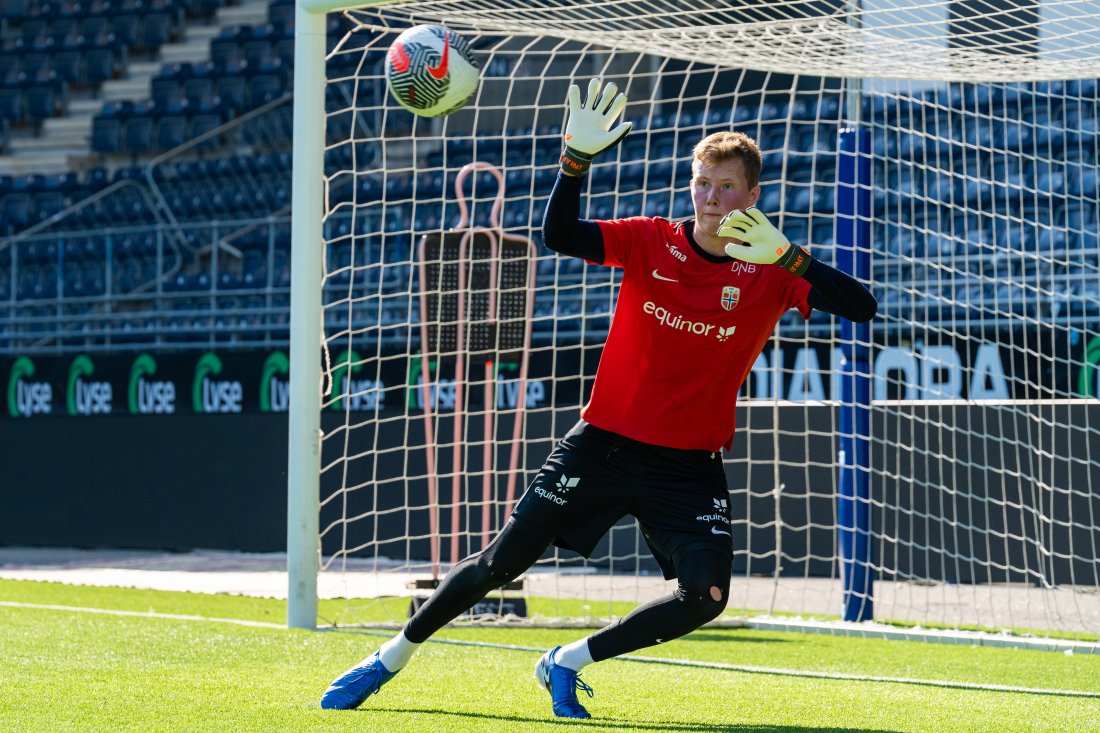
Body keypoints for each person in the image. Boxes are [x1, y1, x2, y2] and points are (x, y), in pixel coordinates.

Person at [320, 78, 877, 719]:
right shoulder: (650, 239)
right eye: (703, 183)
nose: (712, 198)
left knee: (707, 595)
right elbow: (560, 234)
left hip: (687, 465)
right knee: (500, 564)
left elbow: (861, 307)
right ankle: (387, 658)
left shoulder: (775, 269)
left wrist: (792, 256)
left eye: (727, 186)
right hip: (603, 444)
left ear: (753, 195)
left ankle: (566, 661)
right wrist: (575, 162)